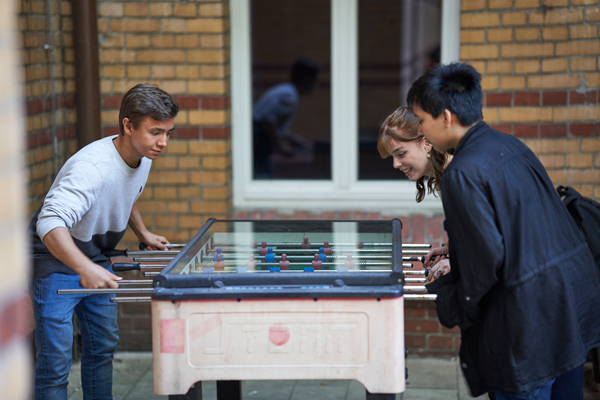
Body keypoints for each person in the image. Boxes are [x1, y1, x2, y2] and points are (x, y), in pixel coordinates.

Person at [407, 63, 600, 399]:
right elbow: (523, 227)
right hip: (569, 309)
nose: (422, 131)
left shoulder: (463, 172)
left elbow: (485, 261)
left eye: (422, 120)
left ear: (446, 117)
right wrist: (456, 253)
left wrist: (450, 299)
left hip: (528, 326)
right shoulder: (511, 145)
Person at [28, 83, 180, 400]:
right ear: (127, 125)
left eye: (168, 132)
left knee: (102, 348)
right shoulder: (91, 168)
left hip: (95, 259)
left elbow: (125, 193)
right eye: (155, 132)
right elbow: (49, 221)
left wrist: (143, 233)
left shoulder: (142, 154)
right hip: (56, 261)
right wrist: (83, 267)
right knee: (56, 363)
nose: (163, 142)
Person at [377, 106, 450, 281]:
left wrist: (459, 261)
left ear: (426, 143)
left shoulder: (457, 175)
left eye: (401, 153)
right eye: (393, 156)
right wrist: (452, 248)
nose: (395, 164)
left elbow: (489, 233)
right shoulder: (444, 174)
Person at [253, 57, 320, 178]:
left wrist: (295, 140)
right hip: (258, 142)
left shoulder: (287, 91)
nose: (315, 85)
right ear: (306, 79)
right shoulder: (289, 95)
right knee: (262, 176)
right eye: (314, 81)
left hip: (258, 141)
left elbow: (274, 125)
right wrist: (280, 146)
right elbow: (267, 119)